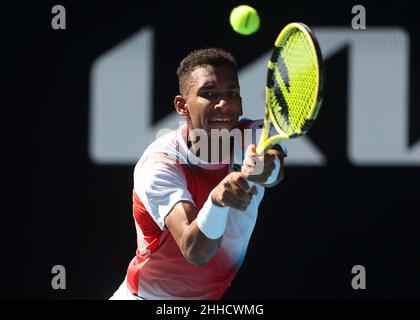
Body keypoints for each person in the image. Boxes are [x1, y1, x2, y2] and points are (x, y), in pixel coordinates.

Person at [110, 48, 286, 300]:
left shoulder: (254, 135)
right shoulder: (160, 164)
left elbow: (274, 169)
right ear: (182, 106)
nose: (223, 103)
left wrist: (264, 170)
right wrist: (217, 201)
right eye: (208, 94)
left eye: (232, 93)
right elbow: (197, 252)